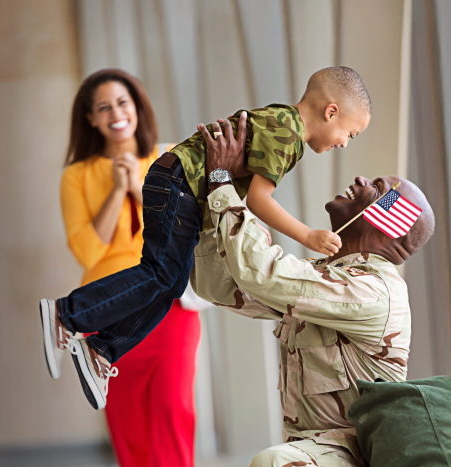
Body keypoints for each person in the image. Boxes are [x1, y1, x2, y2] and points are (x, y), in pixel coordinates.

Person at [184, 116, 435, 467]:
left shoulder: (375, 293)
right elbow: (218, 283)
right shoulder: (326, 281)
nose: (364, 181)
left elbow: (264, 274)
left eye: (381, 189)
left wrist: (224, 186)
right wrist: (208, 202)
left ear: (389, 224)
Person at [40, 67, 373, 411]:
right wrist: (308, 235)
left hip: (173, 183)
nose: (345, 143)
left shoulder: (281, 121)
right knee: (159, 274)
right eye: (351, 133)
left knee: (170, 284)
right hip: (178, 186)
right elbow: (260, 198)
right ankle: (66, 314)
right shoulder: (290, 135)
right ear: (330, 112)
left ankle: (101, 350)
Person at [58, 69, 204, 467]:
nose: (116, 113)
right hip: (110, 310)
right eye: (103, 107)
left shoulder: (167, 159)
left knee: (171, 409)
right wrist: (115, 191)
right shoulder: (77, 176)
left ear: (137, 106)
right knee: (128, 424)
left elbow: (181, 232)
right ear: (90, 119)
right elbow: (87, 247)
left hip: (168, 307)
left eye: (123, 102)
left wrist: (140, 190)